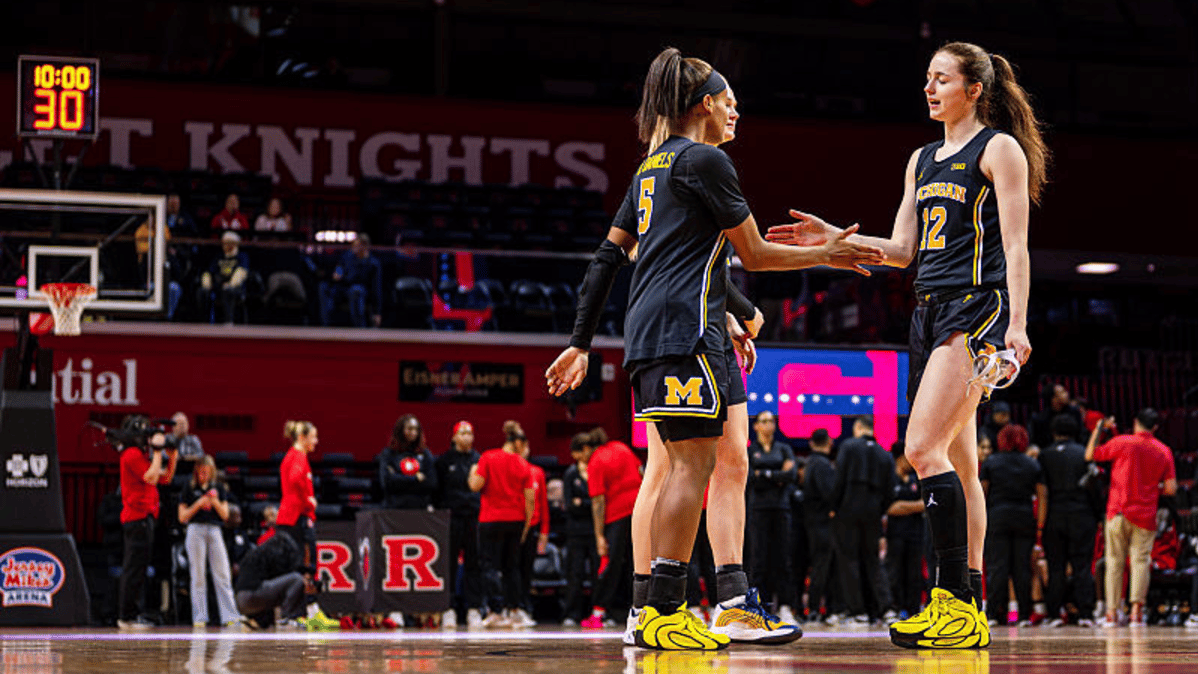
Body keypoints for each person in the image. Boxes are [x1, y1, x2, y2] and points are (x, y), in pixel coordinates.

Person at [545, 47, 882, 651]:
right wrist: (827, 253)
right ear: (705, 104)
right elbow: (753, 253)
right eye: (729, 102)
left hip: (660, 329)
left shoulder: (652, 169)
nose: (735, 113)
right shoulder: (705, 160)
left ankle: (702, 606)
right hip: (682, 330)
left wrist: (579, 343)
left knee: (702, 462)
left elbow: (610, 259)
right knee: (688, 465)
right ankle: (661, 612)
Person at [768, 40, 1048, 649]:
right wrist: (833, 240)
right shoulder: (920, 159)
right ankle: (969, 608)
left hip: (978, 309)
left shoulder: (999, 148)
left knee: (921, 448)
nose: (929, 88)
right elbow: (902, 251)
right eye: (927, 78)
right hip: (926, 313)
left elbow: (1019, 246)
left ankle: (952, 604)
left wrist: (1018, 326)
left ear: (975, 89)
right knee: (962, 463)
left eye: (941, 79)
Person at [1085, 408, 1178, 627]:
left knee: (1115, 563)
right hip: (1145, 515)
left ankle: (1111, 613)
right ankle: (1137, 612)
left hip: (1118, 511)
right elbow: (1172, 489)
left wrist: (1099, 428)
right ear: (1155, 427)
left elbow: (1090, 455)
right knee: (1140, 562)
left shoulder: (1122, 442)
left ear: (1136, 422)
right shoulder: (1163, 450)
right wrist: (1151, 488)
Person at [468, 420, 535, 628]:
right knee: (511, 567)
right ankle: (514, 610)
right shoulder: (524, 465)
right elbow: (530, 499)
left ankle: (496, 611)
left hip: (490, 520)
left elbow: (475, 486)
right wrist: (526, 526)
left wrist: (472, 471)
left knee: (489, 566)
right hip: (515, 520)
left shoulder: (488, 457)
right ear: (518, 443)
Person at [830, 415, 895, 624]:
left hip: (849, 507)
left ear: (858, 427)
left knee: (849, 560)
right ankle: (885, 609)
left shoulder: (848, 446)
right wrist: (879, 509)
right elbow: (890, 491)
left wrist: (834, 506)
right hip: (873, 510)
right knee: (873, 561)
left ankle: (857, 611)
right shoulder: (885, 454)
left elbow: (838, 480)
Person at [116, 415, 178, 629]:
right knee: (134, 568)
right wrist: (159, 452)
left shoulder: (141, 455)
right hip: (137, 517)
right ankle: (127, 616)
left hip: (146, 517)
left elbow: (164, 478)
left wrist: (172, 455)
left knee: (139, 568)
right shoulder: (131, 454)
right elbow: (151, 477)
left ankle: (132, 614)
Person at [979, 424, 1045, 625]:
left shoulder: (991, 462)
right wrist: (1040, 526)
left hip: (996, 518)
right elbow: (1042, 496)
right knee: (1022, 568)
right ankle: (1024, 615)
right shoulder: (1032, 464)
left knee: (997, 567)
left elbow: (982, 493)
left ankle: (992, 614)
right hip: (1024, 519)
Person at [1038, 413, 1097, 626]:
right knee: (1082, 567)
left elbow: (1042, 492)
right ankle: (1086, 615)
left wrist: (1040, 524)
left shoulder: (1044, 456)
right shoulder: (1084, 453)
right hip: (1082, 515)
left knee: (1056, 568)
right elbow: (1094, 487)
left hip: (1054, 516)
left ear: (1053, 432)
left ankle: (1054, 614)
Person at [582, 427, 642, 629]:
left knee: (610, 564)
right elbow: (642, 472)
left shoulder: (596, 460)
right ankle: (641, 610)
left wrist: (599, 536)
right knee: (638, 563)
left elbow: (598, 501)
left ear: (587, 448)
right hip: (639, 510)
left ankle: (598, 613)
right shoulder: (622, 447)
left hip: (617, 515)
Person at [746, 410, 797, 622]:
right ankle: (759, 605)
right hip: (758, 509)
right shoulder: (750, 451)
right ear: (756, 426)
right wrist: (776, 475)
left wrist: (764, 473)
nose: (768, 425)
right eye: (764, 421)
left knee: (783, 558)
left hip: (781, 508)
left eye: (771, 421)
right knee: (758, 559)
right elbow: (750, 478)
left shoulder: (783, 449)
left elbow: (790, 476)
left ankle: (785, 605)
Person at [177, 455, 239, 627]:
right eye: (201, 471)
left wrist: (214, 502)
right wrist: (199, 503)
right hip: (195, 529)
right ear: (196, 472)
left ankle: (230, 615)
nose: (204, 474)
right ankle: (199, 618)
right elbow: (182, 517)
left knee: (222, 573)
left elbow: (225, 515)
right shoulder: (188, 488)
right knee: (197, 574)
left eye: (207, 472)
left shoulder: (218, 488)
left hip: (214, 529)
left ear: (212, 472)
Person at [434, 421, 483, 629]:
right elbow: (437, 491)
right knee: (449, 565)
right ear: (454, 437)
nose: (467, 437)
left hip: (473, 517)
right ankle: (449, 608)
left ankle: (473, 609)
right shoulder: (444, 461)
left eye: (470, 433)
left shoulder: (479, 460)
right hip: (452, 518)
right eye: (462, 433)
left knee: (474, 563)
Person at [234, 527, 306, 629]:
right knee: (297, 579)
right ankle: (288, 619)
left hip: (241, 601)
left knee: (272, 587)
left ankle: (259, 621)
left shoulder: (256, 552)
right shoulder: (274, 554)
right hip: (252, 596)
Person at [886, 441, 926, 620]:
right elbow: (890, 508)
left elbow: (925, 504)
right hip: (895, 534)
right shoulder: (888, 479)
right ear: (901, 458)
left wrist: (903, 505)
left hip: (916, 533)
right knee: (895, 572)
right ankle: (895, 608)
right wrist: (915, 506)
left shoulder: (915, 479)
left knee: (914, 574)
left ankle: (914, 609)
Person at [561, 433, 598, 626]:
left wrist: (581, 502)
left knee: (596, 573)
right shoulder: (570, 474)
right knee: (574, 574)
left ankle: (597, 612)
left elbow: (600, 501)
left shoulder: (597, 470)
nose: (587, 452)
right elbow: (569, 505)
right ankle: (572, 613)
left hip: (595, 530)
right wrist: (589, 503)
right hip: (575, 531)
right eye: (583, 449)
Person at [802, 428, 838, 621]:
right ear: (829, 442)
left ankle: (816, 609)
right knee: (823, 566)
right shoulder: (823, 464)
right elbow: (830, 493)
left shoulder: (810, 463)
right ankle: (817, 609)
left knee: (819, 565)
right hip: (823, 523)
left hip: (812, 521)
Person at [515, 431, 549, 628]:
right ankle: (511, 606)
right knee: (511, 568)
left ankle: (525, 606)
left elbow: (542, 503)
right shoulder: (509, 470)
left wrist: (544, 532)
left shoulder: (537, 472)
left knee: (527, 570)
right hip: (513, 525)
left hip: (532, 527)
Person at [277, 421, 318, 570]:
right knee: (304, 564)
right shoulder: (298, 457)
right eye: (313, 437)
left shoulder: (292, 456)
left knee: (291, 564)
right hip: (297, 517)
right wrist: (309, 501)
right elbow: (295, 479)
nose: (316, 441)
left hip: (289, 517)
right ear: (302, 437)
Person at [319, 234, 382, 328]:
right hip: (343, 288)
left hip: (361, 290)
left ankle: (360, 328)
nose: (354, 248)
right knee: (323, 287)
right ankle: (326, 325)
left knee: (356, 290)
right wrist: (338, 273)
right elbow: (340, 267)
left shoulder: (373, 263)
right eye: (354, 246)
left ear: (365, 246)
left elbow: (376, 288)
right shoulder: (347, 256)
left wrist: (377, 312)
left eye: (357, 246)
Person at [377, 414, 438, 510]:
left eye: (416, 429)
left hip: (420, 508)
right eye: (410, 429)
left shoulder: (425, 453)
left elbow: (431, 483)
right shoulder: (389, 453)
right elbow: (386, 483)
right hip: (394, 507)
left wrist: (398, 477)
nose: (413, 432)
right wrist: (416, 479)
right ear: (401, 430)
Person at [198, 231, 249, 324]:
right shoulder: (219, 257)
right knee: (202, 292)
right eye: (224, 243)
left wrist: (231, 284)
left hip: (235, 288)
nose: (224, 245)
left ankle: (228, 322)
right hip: (218, 286)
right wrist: (206, 284)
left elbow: (241, 273)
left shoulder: (241, 256)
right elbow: (209, 272)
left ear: (233, 244)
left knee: (227, 291)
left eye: (227, 243)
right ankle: (204, 321)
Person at [1030, 383, 1084, 450]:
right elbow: (1038, 442)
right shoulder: (1041, 419)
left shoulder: (1074, 412)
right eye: (1062, 392)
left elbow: (1080, 435)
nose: (1067, 394)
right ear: (1053, 399)